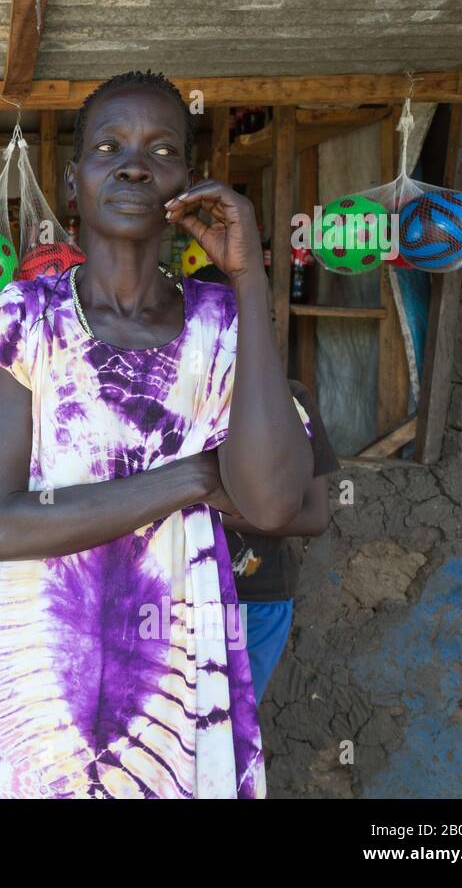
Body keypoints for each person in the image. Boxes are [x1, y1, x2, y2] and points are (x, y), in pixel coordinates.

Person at [0, 71, 313, 799]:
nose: (133, 164)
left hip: (177, 674)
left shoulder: (224, 322)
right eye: (108, 146)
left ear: (187, 183)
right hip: (45, 671)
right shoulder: (28, 317)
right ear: (74, 179)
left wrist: (248, 279)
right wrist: (189, 479)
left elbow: (284, 506)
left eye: (161, 150)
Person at [192, 266, 339, 703]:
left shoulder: (290, 401)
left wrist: (205, 510)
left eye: (243, 317)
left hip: (256, 597)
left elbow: (313, 517)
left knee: (233, 725)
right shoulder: (174, 403)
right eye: (211, 318)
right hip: (177, 601)